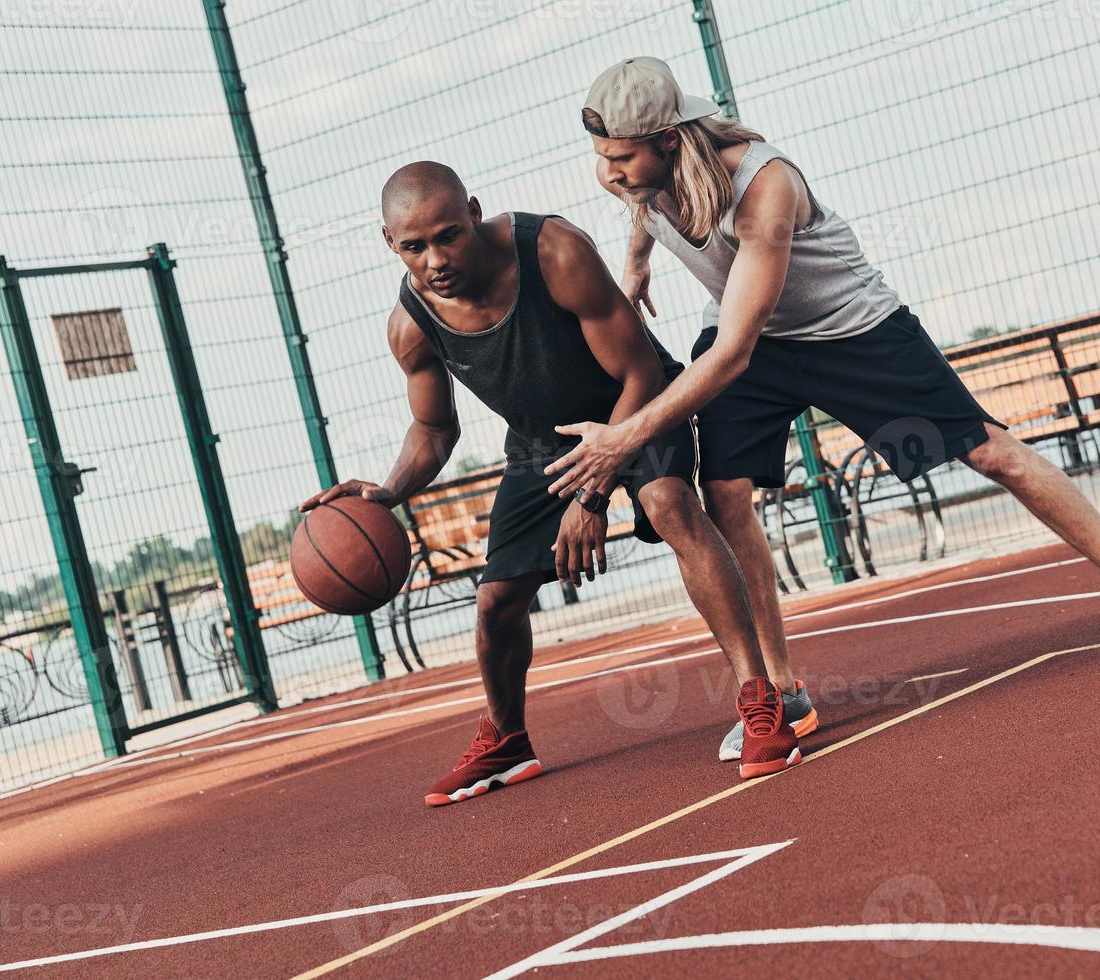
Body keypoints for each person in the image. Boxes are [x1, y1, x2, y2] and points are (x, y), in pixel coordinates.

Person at [544, 57, 1100, 762]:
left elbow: (731, 353)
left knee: (987, 450)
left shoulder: (764, 185)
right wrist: (637, 262)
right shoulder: (639, 177)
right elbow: (646, 213)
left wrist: (625, 438)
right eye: (600, 156)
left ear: (670, 141)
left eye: (620, 157)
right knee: (726, 492)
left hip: (845, 331)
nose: (607, 172)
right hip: (748, 334)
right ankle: (783, 689)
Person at [301, 161, 802, 804]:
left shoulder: (553, 253)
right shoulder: (412, 324)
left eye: (448, 235)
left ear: (474, 214)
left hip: (637, 408)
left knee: (671, 503)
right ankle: (508, 739)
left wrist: (593, 493)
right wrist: (389, 491)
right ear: (388, 243)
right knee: (497, 603)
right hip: (542, 445)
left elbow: (641, 372)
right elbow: (432, 431)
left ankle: (761, 704)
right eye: (414, 247)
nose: (435, 259)